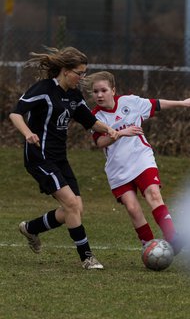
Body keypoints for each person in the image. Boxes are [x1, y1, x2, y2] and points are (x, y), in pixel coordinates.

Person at [9, 48, 121, 270]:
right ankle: (87, 258)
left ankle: (31, 228)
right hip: (39, 157)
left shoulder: (74, 96)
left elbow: (89, 121)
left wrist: (109, 129)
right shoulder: (44, 89)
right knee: (70, 204)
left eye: (83, 73)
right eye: (79, 73)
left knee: (76, 207)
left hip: (59, 158)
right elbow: (15, 113)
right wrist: (27, 133)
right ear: (65, 70)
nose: (82, 78)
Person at [84, 71, 190, 255]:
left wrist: (182, 103)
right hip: (118, 169)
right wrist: (120, 133)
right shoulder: (94, 117)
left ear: (113, 90)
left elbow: (156, 104)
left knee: (153, 194)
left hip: (141, 159)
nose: (99, 95)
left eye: (103, 90)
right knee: (132, 208)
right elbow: (100, 142)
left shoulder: (130, 102)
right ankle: (149, 246)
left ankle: (173, 237)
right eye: (95, 91)